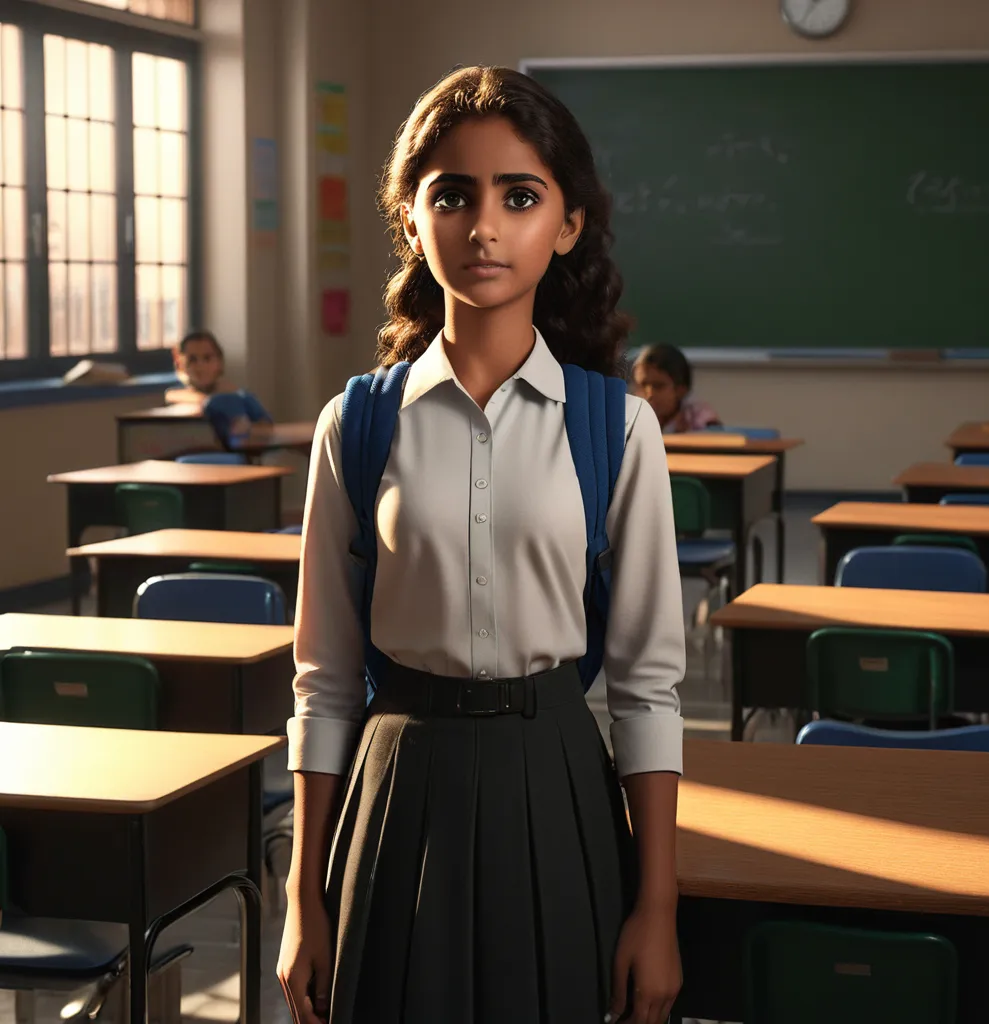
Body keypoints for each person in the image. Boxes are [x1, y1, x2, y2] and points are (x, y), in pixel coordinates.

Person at [277, 65, 686, 1024]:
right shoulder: (358, 423)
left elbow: (648, 687)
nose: (485, 227)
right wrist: (302, 895)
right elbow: (324, 680)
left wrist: (657, 905)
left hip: (554, 784)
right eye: (453, 195)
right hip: (395, 792)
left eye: (522, 196)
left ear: (569, 224)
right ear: (413, 221)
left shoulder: (617, 428)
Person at [631, 344, 721, 433]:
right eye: (642, 385)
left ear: (681, 390)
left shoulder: (701, 421)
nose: (649, 394)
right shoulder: (628, 419)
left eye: (658, 386)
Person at [165, 329, 233, 404]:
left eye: (207, 358)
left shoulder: (234, 397)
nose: (200, 366)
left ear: (220, 362)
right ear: (180, 365)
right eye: (192, 359)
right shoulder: (174, 398)